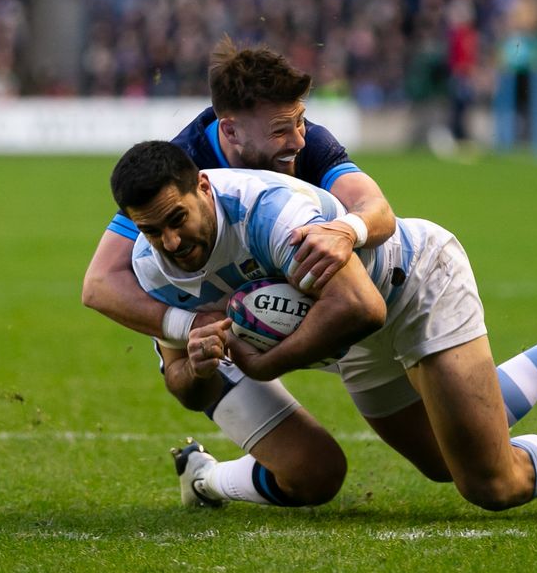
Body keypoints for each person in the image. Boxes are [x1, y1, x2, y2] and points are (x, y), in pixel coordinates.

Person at [110, 141, 537, 514]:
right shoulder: (150, 267)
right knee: (439, 459)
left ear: (203, 189)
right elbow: (182, 383)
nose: (171, 243)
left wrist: (264, 362)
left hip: (415, 284)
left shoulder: (268, 213)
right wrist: (198, 358)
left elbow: (361, 307)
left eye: (176, 220)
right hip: (346, 334)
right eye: (151, 231)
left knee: (487, 483)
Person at [83, 35, 397, 343]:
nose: (298, 140)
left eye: (300, 121)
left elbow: (377, 209)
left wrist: (346, 230)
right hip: (212, 292)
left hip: (292, 282)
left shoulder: (310, 142)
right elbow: (99, 283)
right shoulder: (181, 169)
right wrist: (191, 324)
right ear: (230, 131)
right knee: (184, 376)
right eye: (279, 130)